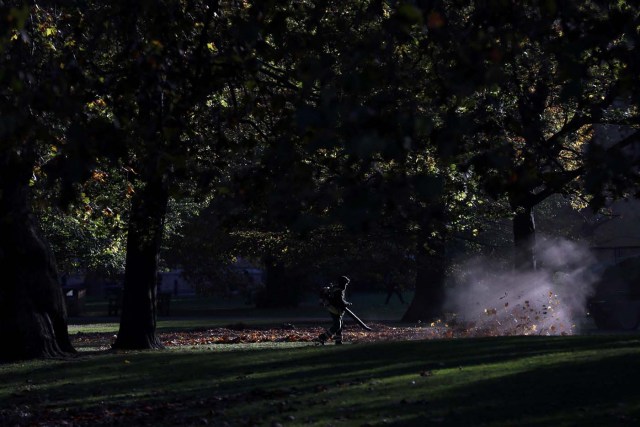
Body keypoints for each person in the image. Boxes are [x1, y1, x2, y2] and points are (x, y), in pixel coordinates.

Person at [316, 275, 352, 345]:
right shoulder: (338, 291)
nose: (345, 286)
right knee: (337, 325)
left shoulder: (336, 288)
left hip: (336, 310)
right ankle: (323, 337)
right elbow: (340, 301)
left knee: (340, 325)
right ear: (342, 283)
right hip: (334, 310)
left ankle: (338, 341)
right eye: (345, 284)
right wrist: (347, 304)